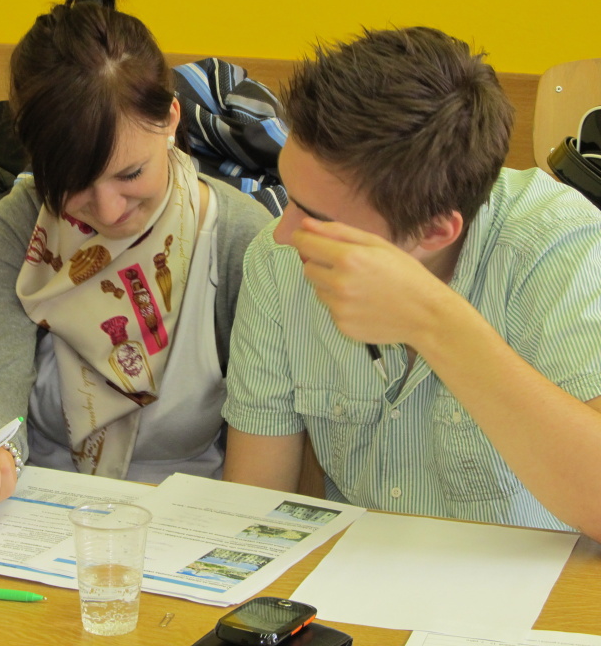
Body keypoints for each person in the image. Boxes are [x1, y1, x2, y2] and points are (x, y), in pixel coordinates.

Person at [221, 26, 601, 540]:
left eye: (318, 217)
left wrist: (432, 321)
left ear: (435, 230)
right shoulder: (278, 260)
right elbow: (252, 508)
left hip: (532, 581)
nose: (283, 233)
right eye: (288, 195)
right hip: (355, 575)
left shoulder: (557, 245)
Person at [0, 0, 272, 512]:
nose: (109, 210)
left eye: (130, 175)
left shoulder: (238, 237)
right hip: (39, 509)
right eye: (73, 185)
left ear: (171, 120)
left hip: (187, 516)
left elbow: (262, 441)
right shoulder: (19, 228)